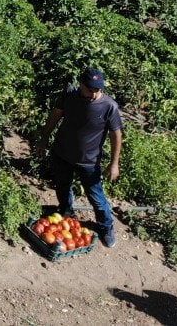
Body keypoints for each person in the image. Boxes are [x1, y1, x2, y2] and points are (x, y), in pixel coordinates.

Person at [35, 67, 123, 248]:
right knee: (62, 186)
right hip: (62, 153)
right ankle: (67, 212)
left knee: (96, 197)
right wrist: (44, 139)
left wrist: (114, 164)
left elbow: (116, 135)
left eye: (98, 89)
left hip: (88, 162)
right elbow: (55, 116)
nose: (94, 93)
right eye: (90, 89)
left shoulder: (109, 106)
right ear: (81, 84)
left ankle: (106, 226)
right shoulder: (69, 95)